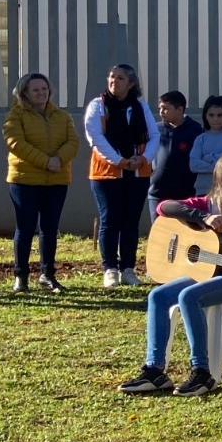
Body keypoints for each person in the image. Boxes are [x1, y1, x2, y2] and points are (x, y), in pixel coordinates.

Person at [117, 152, 222, 397]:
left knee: (189, 296)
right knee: (158, 296)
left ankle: (201, 372)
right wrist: (203, 217)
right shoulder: (209, 202)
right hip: (209, 272)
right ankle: (154, 370)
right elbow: (164, 207)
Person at [3, 71, 79, 292]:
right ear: (24, 92)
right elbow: (15, 143)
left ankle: (48, 275)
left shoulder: (63, 116)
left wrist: (59, 160)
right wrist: (46, 162)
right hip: (24, 180)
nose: (41, 93)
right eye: (35, 90)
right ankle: (21, 276)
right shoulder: (15, 116)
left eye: (44, 89)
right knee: (25, 228)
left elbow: (73, 142)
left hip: (57, 180)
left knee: (50, 229)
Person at [85, 63, 158, 287]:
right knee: (110, 220)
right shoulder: (98, 105)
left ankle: (128, 268)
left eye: (120, 78)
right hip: (107, 174)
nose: (113, 81)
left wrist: (143, 159)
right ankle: (110, 269)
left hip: (137, 173)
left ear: (131, 83)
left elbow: (154, 136)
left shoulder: (140, 107)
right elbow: (95, 137)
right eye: (111, 77)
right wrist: (120, 161)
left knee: (130, 222)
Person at [149, 91, 201, 213]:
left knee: (184, 231)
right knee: (159, 231)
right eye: (160, 108)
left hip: (184, 194)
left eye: (166, 108)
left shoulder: (195, 131)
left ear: (180, 109)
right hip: (157, 193)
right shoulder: (155, 129)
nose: (161, 112)